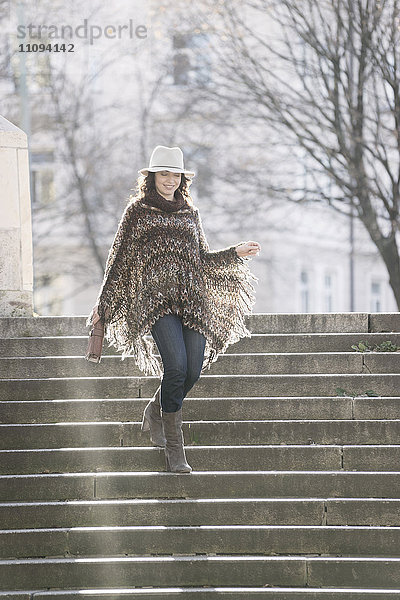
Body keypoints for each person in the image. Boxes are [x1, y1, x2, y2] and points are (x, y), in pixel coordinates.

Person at [87, 145, 261, 474]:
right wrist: (104, 303)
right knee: (177, 367)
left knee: (192, 370)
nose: (169, 179)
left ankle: (156, 409)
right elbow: (120, 261)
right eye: (163, 173)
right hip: (156, 303)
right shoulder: (137, 212)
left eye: (175, 174)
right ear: (151, 177)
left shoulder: (189, 214)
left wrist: (235, 253)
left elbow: (201, 261)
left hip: (193, 301)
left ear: (183, 179)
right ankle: (174, 447)